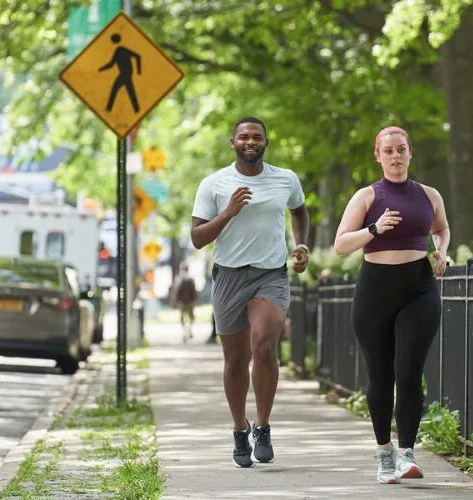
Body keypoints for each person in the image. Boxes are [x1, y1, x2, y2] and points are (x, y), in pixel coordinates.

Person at [190, 116, 310, 468]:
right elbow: (197, 239)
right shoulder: (214, 183)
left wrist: (301, 245)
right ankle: (239, 428)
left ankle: (263, 426)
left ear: (266, 143)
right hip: (228, 276)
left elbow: (300, 211)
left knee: (264, 345)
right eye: (244, 137)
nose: (250, 141)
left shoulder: (285, 178)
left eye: (257, 136)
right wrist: (228, 212)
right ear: (233, 143)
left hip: (270, 274)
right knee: (236, 360)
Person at [333, 126, 450, 484]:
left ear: (410, 153)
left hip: (419, 288)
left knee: (409, 371)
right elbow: (340, 245)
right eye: (389, 151)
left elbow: (442, 229)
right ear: (378, 155)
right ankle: (384, 455)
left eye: (402, 150)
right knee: (381, 376)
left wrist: (441, 251)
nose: (396, 156)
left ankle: (407, 454)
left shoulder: (429, 195)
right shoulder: (367, 197)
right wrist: (375, 230)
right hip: (375, 292)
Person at [170, 263, 198, 342]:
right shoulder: (191, 278)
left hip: (181, 301)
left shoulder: (179, 278)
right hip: (190, 301)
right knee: (191, 317)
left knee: (182, 317)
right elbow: (194, 290)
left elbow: (175, 290)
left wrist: (174, 300)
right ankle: (189, 330)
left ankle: (184, 332)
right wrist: (196, 299)